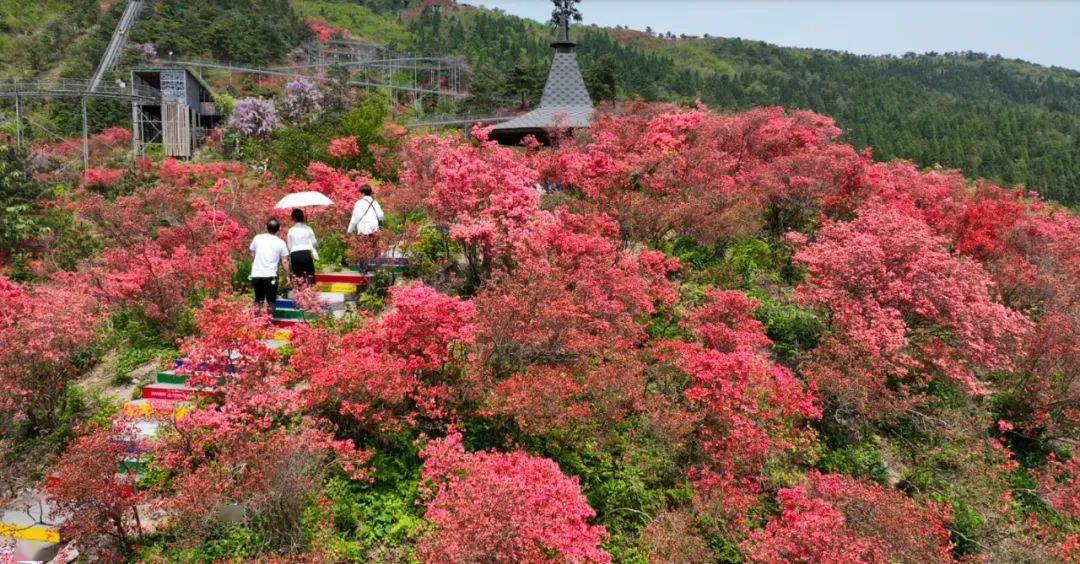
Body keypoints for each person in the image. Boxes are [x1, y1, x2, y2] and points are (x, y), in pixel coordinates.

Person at [249, 218, 289, 314]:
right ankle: (269, 322)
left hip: (256, 274)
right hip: (270, 275)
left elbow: (252, 253)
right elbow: (285, 261)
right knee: (271, 301)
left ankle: (256, 322)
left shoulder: (258, 237)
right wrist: (287, 276)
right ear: (279, 228)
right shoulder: (281, 242)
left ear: (266, 227)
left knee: (258, 300)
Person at [286, 208, 318, 285]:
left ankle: (300, 295)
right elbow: (314, 243)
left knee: (298, 277)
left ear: (293, 218)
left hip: (295, 255)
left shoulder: (291, 230)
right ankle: (310, 294)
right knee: (309, 276)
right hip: (306, 253)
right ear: (303, 217)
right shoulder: (308, 229)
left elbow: (289, 246)